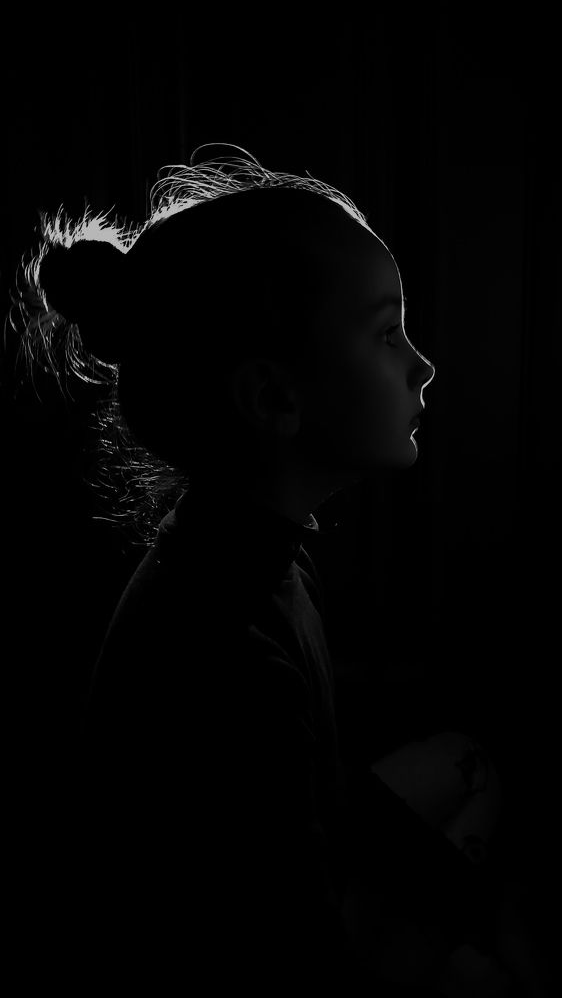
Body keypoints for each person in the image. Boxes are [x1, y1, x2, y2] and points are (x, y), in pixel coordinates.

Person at [14, 145, 545, 994]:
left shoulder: (249, 545)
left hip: (292, 874)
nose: (424, 365)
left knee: (471, 764)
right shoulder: (229, 653)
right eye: (387, 333)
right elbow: (293, 963)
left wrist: (458, 895)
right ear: (274, 399)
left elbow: (331, 793)